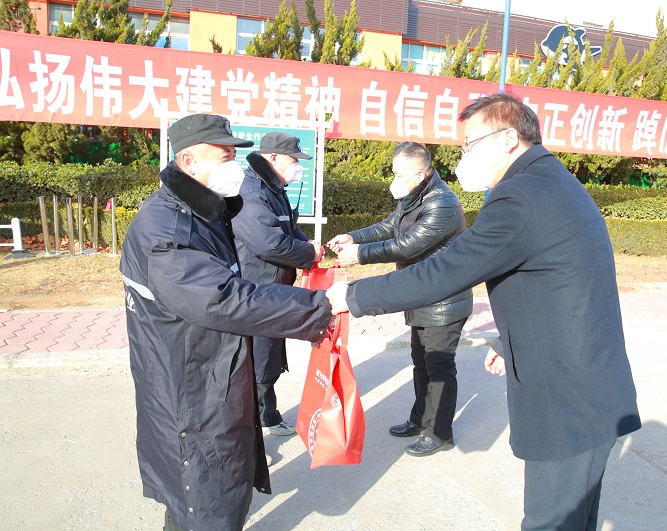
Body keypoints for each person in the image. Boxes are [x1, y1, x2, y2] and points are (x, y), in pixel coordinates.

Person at [326, 94, 641, 530]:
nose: (464, 155)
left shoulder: (520, 195)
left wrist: (352, 296)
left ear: (509, 138)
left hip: (568, 396)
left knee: (551, 522)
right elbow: (561, 281)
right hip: (588, 385)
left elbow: (446, 270)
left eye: (471, 143)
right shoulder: (548, 181)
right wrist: (505, 337)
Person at [120, 114, 332, 531]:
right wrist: (317, 308)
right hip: (191, 385)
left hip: (208, 370)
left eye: (235, 153)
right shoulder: (168, 229)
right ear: (189, 161)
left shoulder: (202, 211)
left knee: (197, 496)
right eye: (225, 155)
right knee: (206, 496)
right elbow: (224, 298)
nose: (235, 164)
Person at [326, 141, 472, 457]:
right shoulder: (414, 195)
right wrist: (355, 237)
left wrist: (360, 255)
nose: (394, 179)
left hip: (443, 300)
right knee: (421, 362)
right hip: (420, 294)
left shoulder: (442, 203)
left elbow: (407, 246)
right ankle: (420, 420)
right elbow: (391, 226)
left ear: (420, 172)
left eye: (399, 173)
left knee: (439, 367)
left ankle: (440, 433)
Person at [233, 132, 325, 438]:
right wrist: (306, 254)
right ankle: (252, 431)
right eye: (293, 160)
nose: (298, 166)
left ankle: (268, 416)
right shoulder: (252, 192)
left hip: (273, 288)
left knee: (269, 353)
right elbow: (268, 243)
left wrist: (307, 244)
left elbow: (288, 227)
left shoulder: (275, 188)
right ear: (273, 158)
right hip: (257, 289)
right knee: (258, 359)